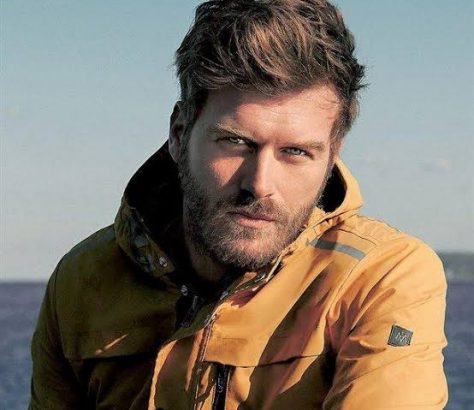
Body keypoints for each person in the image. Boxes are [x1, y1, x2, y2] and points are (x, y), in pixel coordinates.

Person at [29, 1, 449, 409]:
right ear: (179, 133)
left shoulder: (380, 278)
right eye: (235, 142)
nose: (260, 185)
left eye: (296, 152)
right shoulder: (83, 280)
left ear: (331, 154)